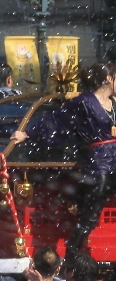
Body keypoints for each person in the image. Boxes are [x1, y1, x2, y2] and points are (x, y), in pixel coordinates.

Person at [13, 62, 116, 251]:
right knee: (91, 214)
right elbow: (57, 120)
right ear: (109, 79)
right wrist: (27, 134)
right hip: (99, 161)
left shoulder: (114, 103)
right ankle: (73, 249)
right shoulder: (85, 102)